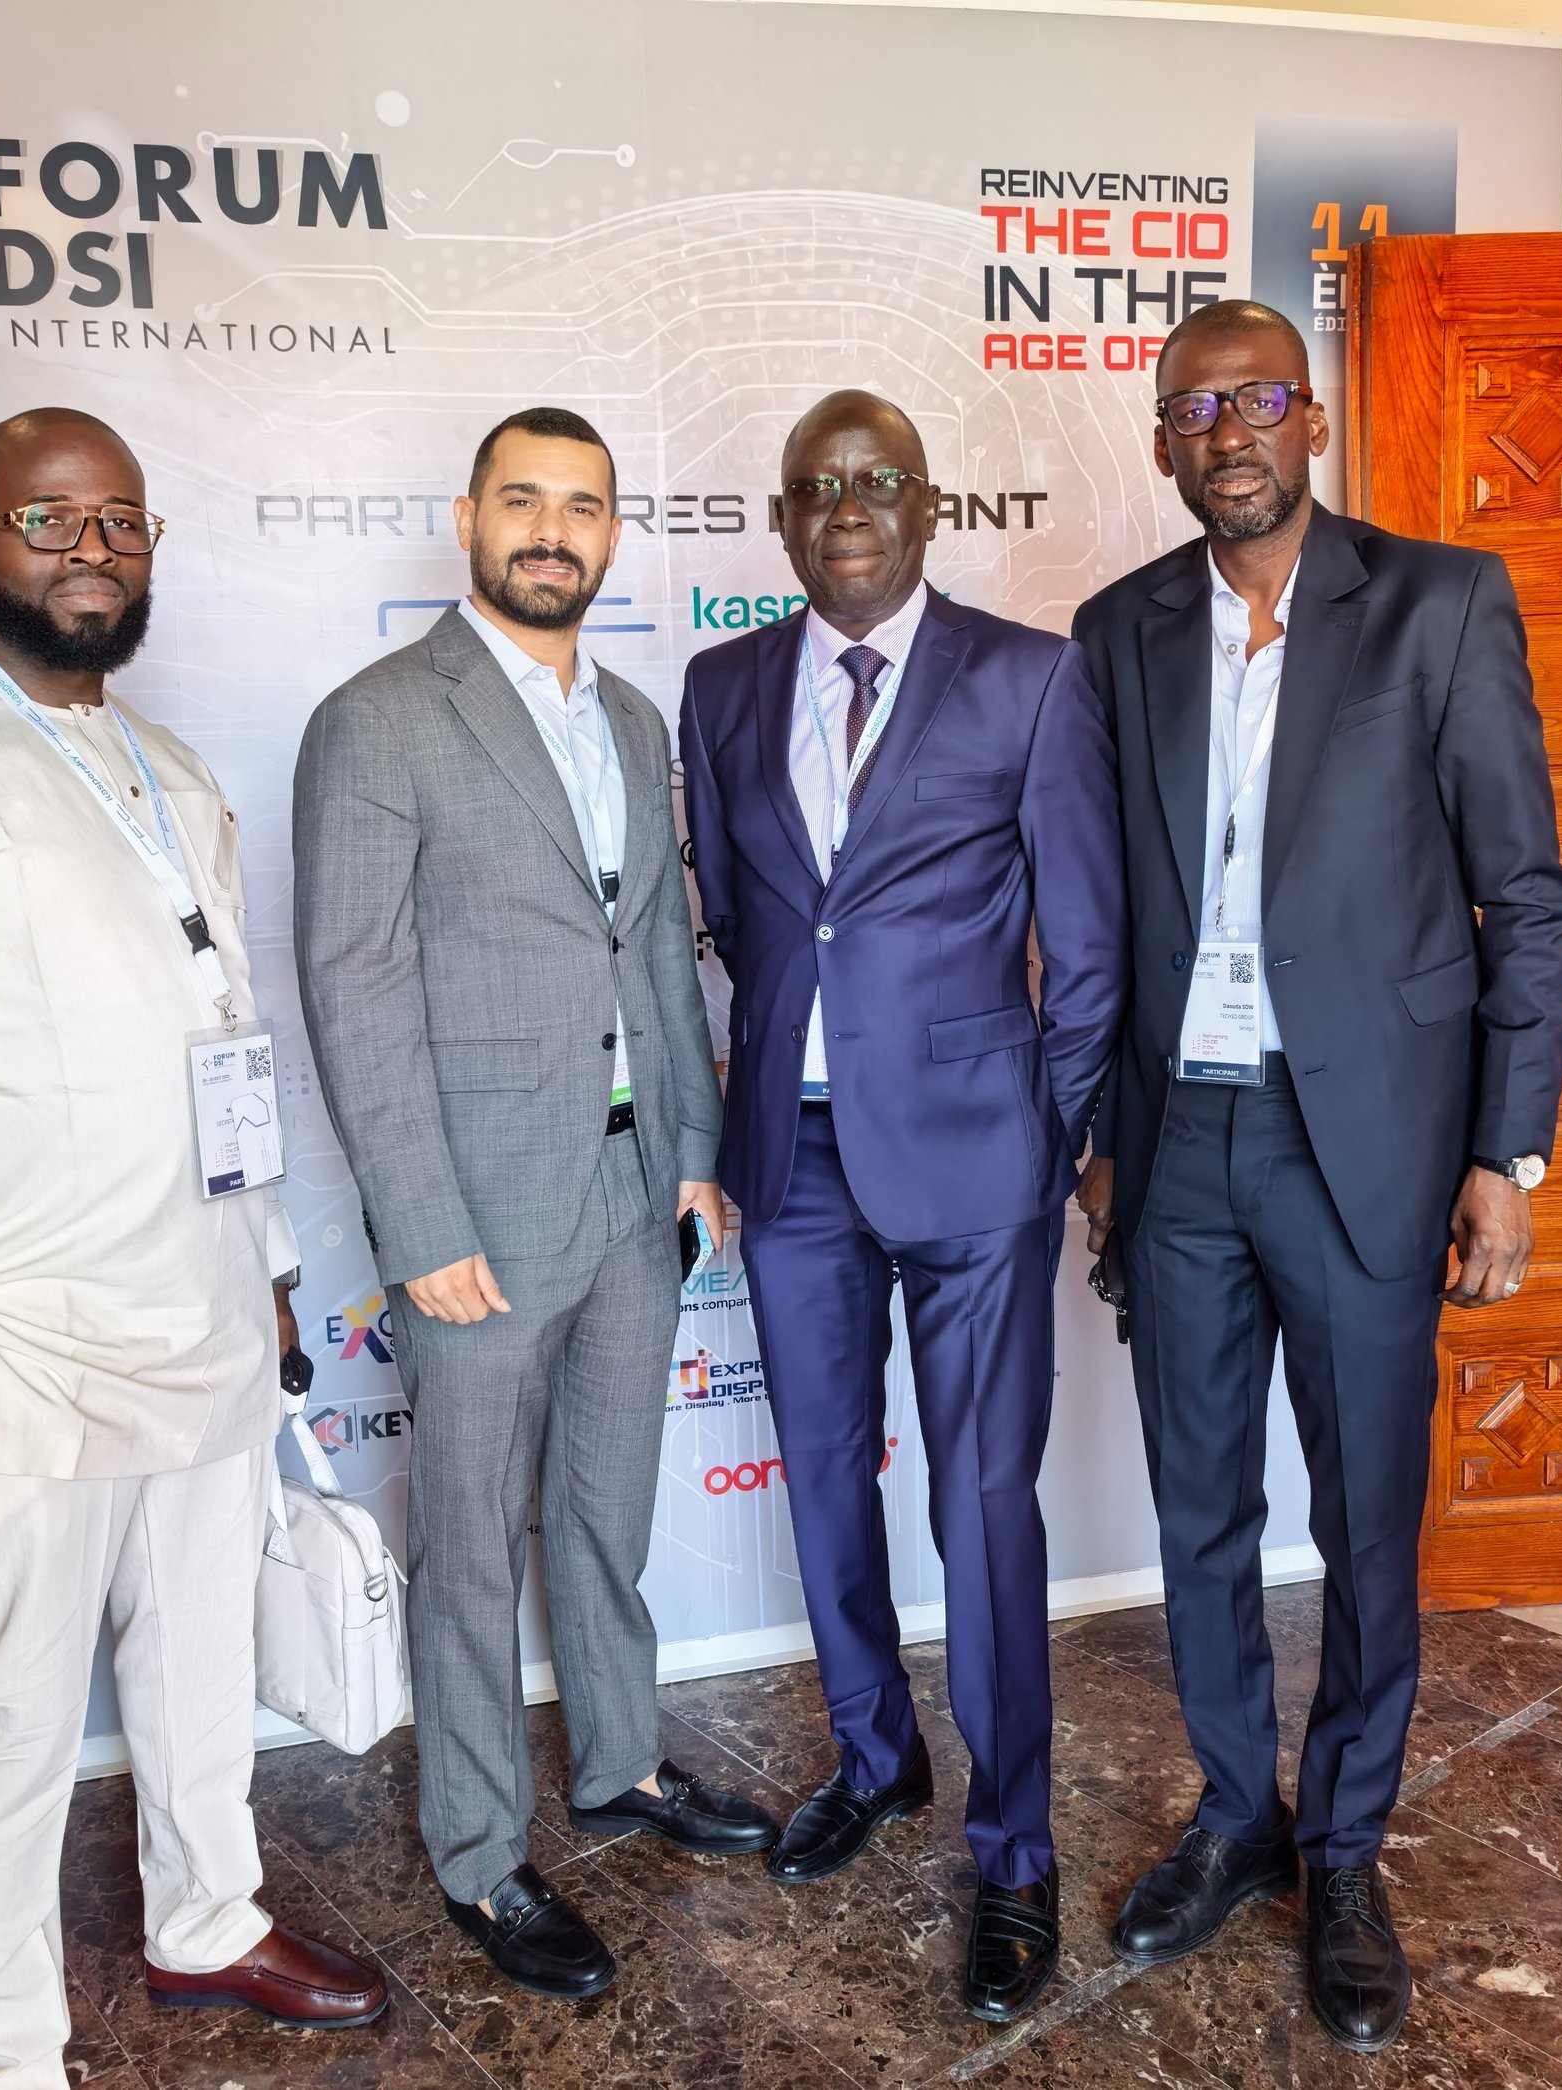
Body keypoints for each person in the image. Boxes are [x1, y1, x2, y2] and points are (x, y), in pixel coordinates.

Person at [0, 408, 386, 2090]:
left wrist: (266, 1269)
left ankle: (206, 1918)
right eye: (47, 522)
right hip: (18, 1345)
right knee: (11, 1722)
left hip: (202, 1317)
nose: (88, 549)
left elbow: (225, 1043)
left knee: (198, 1668)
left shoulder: (172, 771)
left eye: (119, 521)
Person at [1072, 302, 1562, 2053]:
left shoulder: (1440, 603)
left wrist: (1505, 1155)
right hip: (1181, 1140)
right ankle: (1237, 1813)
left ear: (1315, 422)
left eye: (1260, 399)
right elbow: (1109, 903)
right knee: (1198, 1516)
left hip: (1365, 1141)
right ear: (1160, 443)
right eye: (1194, 407)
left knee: (1364, 1528)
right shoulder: (1119, 629)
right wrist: (1106, 1143)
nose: (1230, 431)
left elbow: (1526, 892)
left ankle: (1345, 1847)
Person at [292, 405, 776, 2003]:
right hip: (477, 1224)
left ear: (615, 534)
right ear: (468, 516)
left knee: (604, 1513)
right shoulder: (378, 720)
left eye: (582, 505)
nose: (552, 530)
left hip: (639, 1192)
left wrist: (695, 1147)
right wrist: (418, 1225)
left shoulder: (633, 721)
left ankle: (620, 1764)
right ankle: (484, 1852)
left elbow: (656, 953)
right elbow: (354, 987)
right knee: (472, 1557)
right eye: (524, 501)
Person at [679, 389, 1127, 2025]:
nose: (847, 506)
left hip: (973, 1166)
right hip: (789, 1166)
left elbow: (1083, 947)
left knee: (985, 1505)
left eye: (877, 482)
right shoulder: (721, 686)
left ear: (929, 508)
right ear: (785, 524)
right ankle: (878, 1751)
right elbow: (734, 919)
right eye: (817, 487)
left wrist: (1054, 1140)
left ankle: (1016, 1853)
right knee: (820, 1483)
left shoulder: (1027, 675)